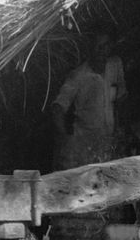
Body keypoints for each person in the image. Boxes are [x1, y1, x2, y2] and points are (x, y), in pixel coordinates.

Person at [51, 35, 127, 169]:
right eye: (99, 47)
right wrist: (67, 141)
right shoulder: (78, 77)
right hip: (85, 145)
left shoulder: (115, 65)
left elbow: (120, 98)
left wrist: (119, 127)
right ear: (89, 50)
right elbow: (58, 108)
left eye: (106, 46)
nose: (103, 51)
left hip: (109, 141)